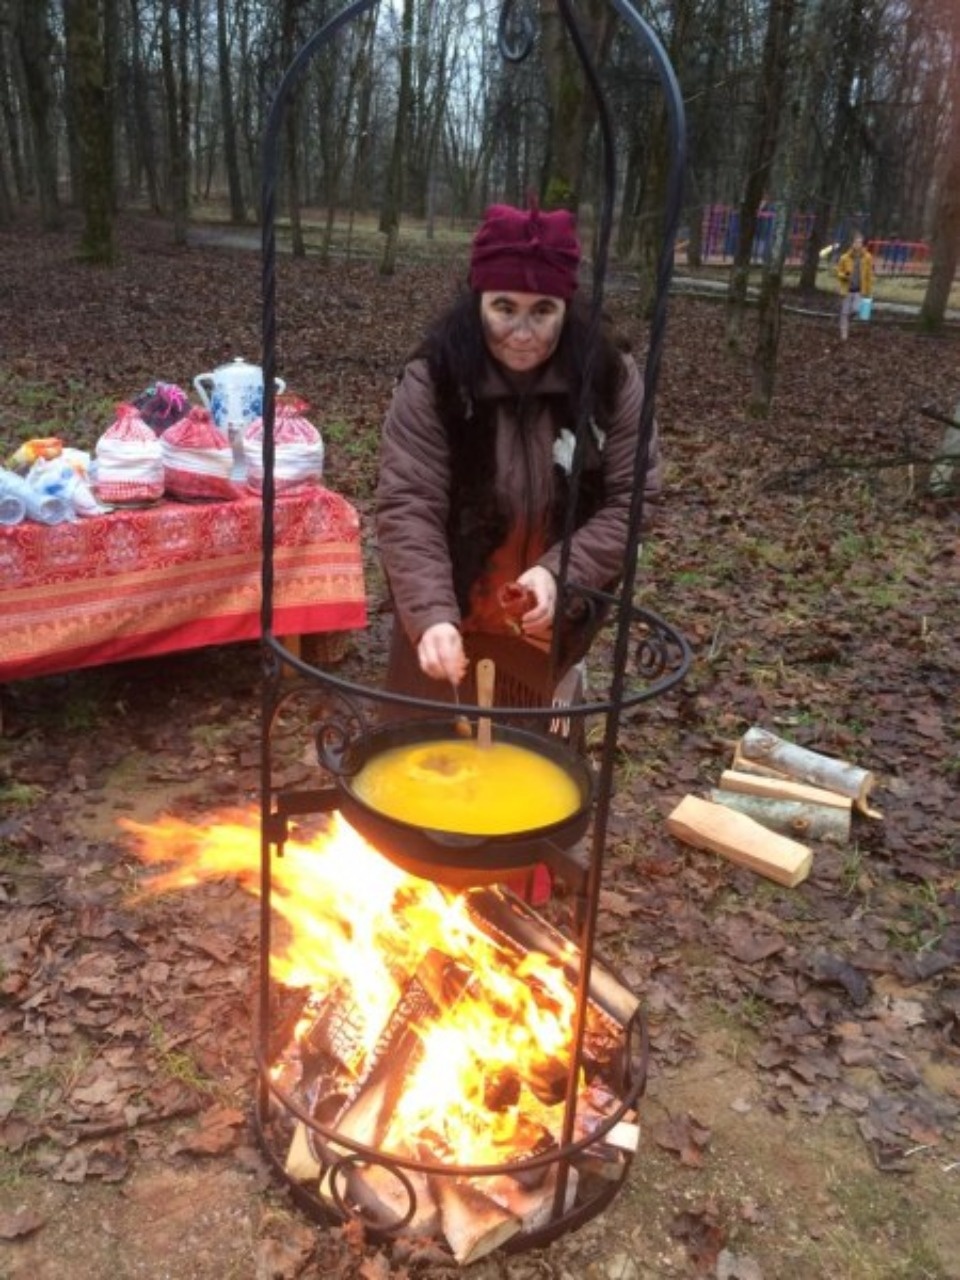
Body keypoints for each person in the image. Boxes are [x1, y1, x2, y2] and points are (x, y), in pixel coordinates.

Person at [375, 201, 662, 724]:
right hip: (447, 614)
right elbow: (409, 502)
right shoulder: (437, 379)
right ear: (478, 298)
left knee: (520, 775)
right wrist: (432, 616)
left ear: (566, 307)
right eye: (504, 308)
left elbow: (634, 498)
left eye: (543, 311)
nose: (523, 332)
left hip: (544, 630)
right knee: (418, 769)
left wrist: (560, 574)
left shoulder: (608, 380)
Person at [836, 231, 874, 340]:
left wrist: (869, 291)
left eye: (860, 242)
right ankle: (844, 333)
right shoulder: (844, 257)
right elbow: (838, 272)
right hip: (847, 289)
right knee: (844, 312)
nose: (858, 244)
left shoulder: (867, 257)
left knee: (856, 309)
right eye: (856, 242)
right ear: (852, 243)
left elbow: (869, 275)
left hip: (859, 289)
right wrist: (844, 275)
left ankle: (848, 319)